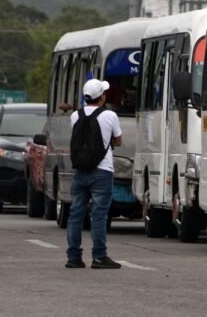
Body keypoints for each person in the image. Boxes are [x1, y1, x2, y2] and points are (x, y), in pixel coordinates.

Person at [65, 79, 123, 269]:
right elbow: (118, 140)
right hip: (102, 171)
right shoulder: (110, 115)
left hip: (80, 171)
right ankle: (99, 257)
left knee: (75, 214)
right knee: (98, 215)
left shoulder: (75, 115)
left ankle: (73, 258)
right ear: (102, 97)